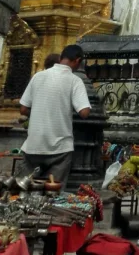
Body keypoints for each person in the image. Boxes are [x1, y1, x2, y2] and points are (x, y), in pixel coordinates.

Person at [19, 43, 91, 188]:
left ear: (61, 57)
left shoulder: (38, 76)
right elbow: (84, 112)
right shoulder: (74, 81)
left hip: (33, 145)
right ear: (77, 61)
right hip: (60, 149)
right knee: (53, 193)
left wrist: (42, 110)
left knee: (24, 189)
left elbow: (23, 109)